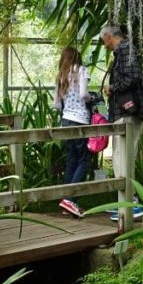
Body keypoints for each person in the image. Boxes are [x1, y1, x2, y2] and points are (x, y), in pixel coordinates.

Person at [100, 23, 143, 222]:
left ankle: (131, 203)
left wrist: (113, 88)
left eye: (104, 40)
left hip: (128, 112)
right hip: (123, 113)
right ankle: (125, 203)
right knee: (120, 156)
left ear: (110, 36)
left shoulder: (126, 49)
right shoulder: (122, 52)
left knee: (124, 157)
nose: (104, 45)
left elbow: (135, 77)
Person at [53, 46, 91, 218]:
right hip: (80, 119)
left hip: (66, 120)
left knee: (71, 160)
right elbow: (83, 94)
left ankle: (66, 203)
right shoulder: (82, 71)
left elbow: (56, 104)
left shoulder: (61, 74)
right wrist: (92, 99)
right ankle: (70, 200)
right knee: (84, 161)